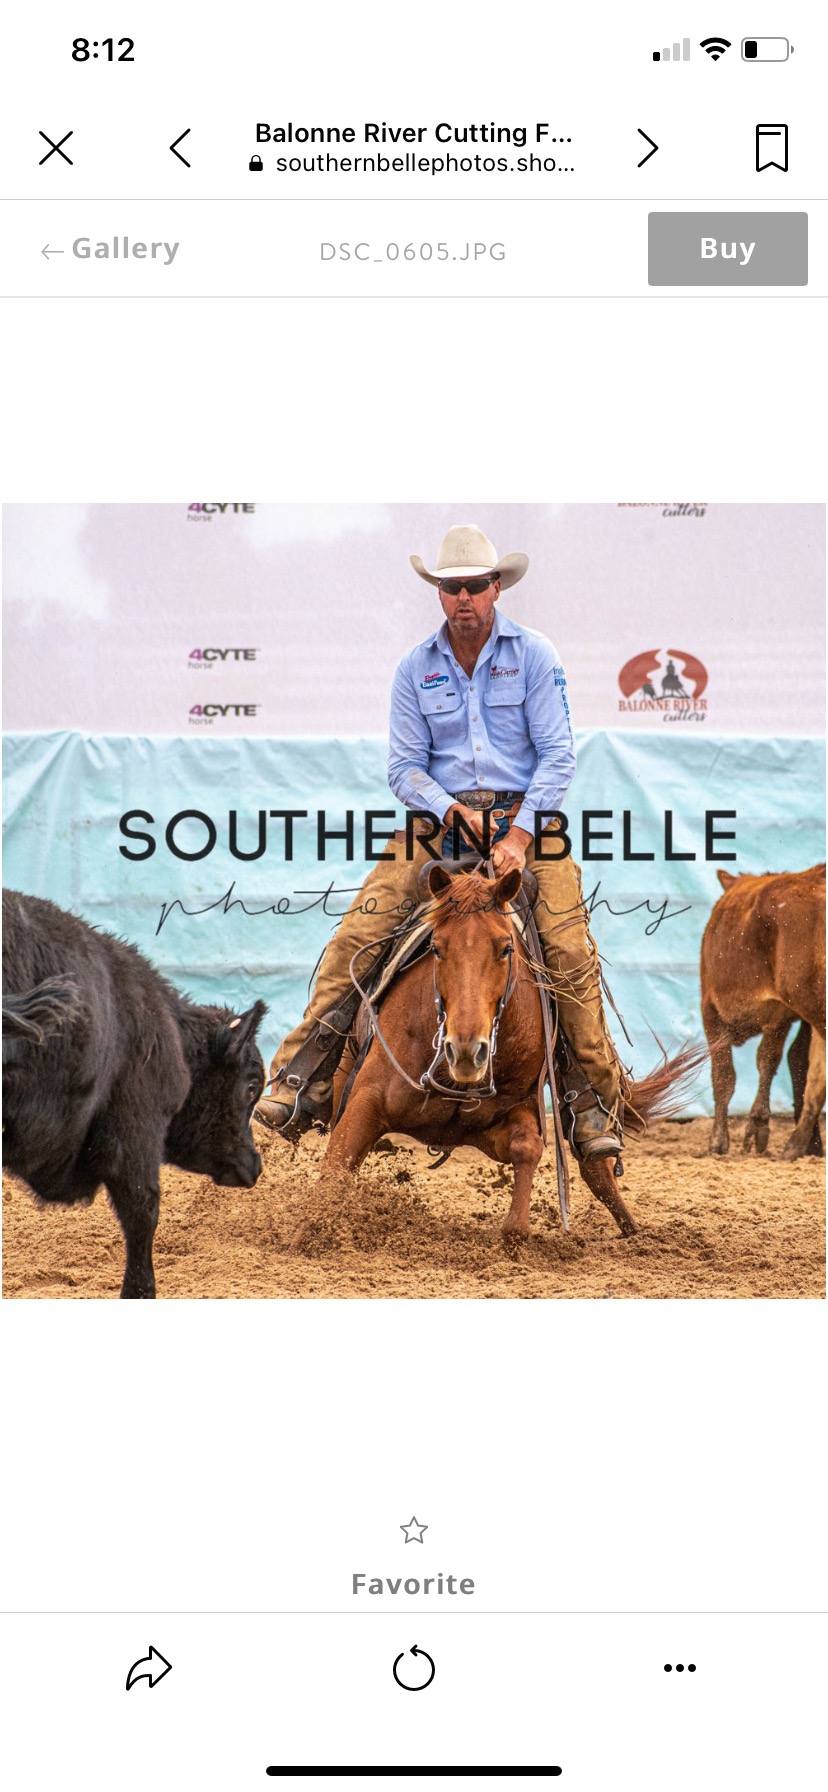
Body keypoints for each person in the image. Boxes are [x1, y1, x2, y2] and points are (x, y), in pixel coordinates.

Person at [256, 523, 624, 1159]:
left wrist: (518, 834)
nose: (464, 598)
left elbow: (558, 756)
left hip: (528, 824)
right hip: (436, 828)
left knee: (568, 952)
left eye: (475, 586)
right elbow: (404, 768)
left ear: (496, 588)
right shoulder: (415, 668)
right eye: (453, 588)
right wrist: (452, 811)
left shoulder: (535, 656)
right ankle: (300, 1076)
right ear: (439, 594)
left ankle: (591, 1101)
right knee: (358, 935)